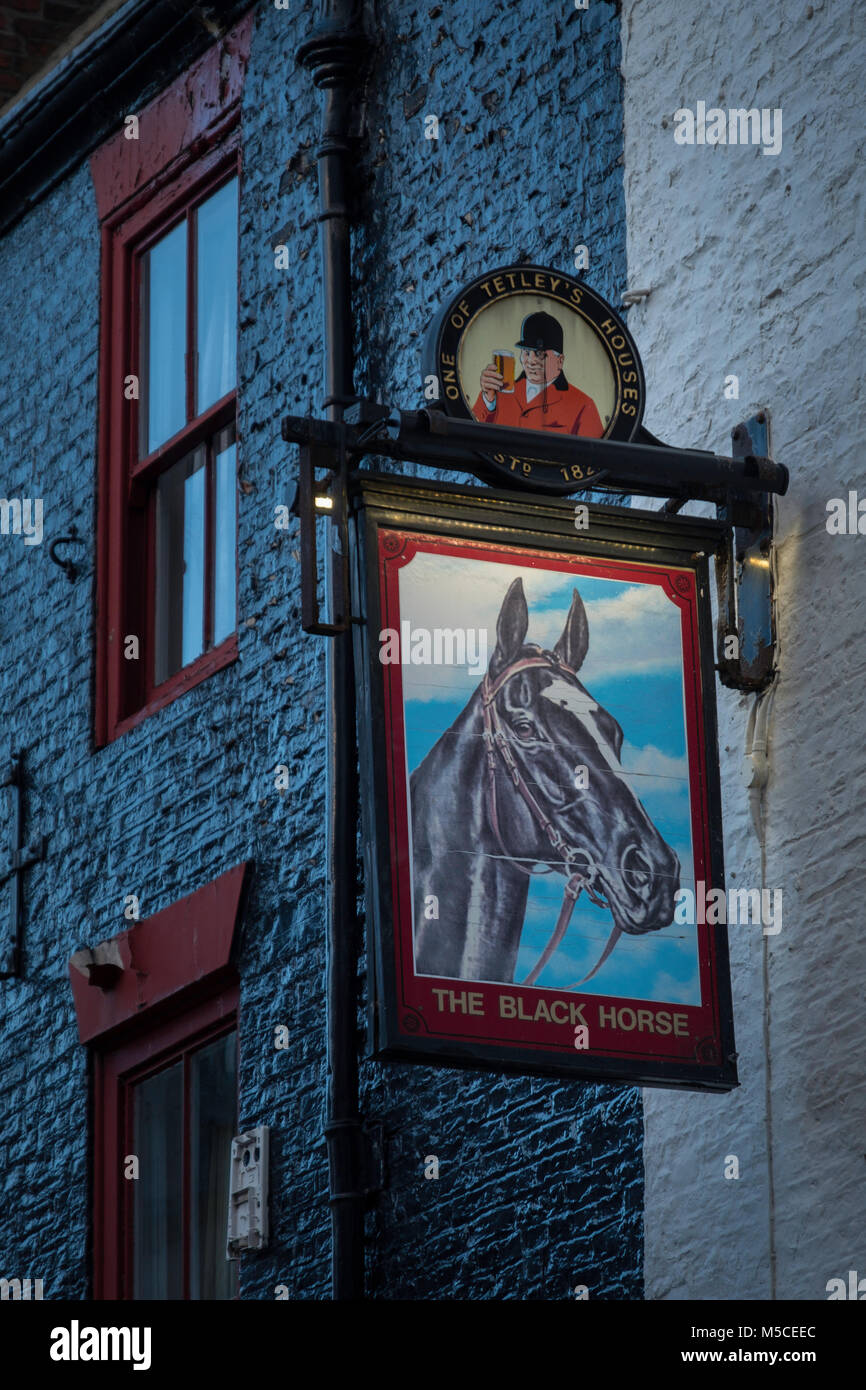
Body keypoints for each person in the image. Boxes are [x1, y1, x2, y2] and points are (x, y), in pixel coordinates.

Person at [473, 310, 604, 436]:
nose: (531, 360)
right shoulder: (499, 394)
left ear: (560, 361)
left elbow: (594, 455)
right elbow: (470, 435)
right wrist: (488, 401)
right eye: (526, 351)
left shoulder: (583, 405)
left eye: (540, 354)